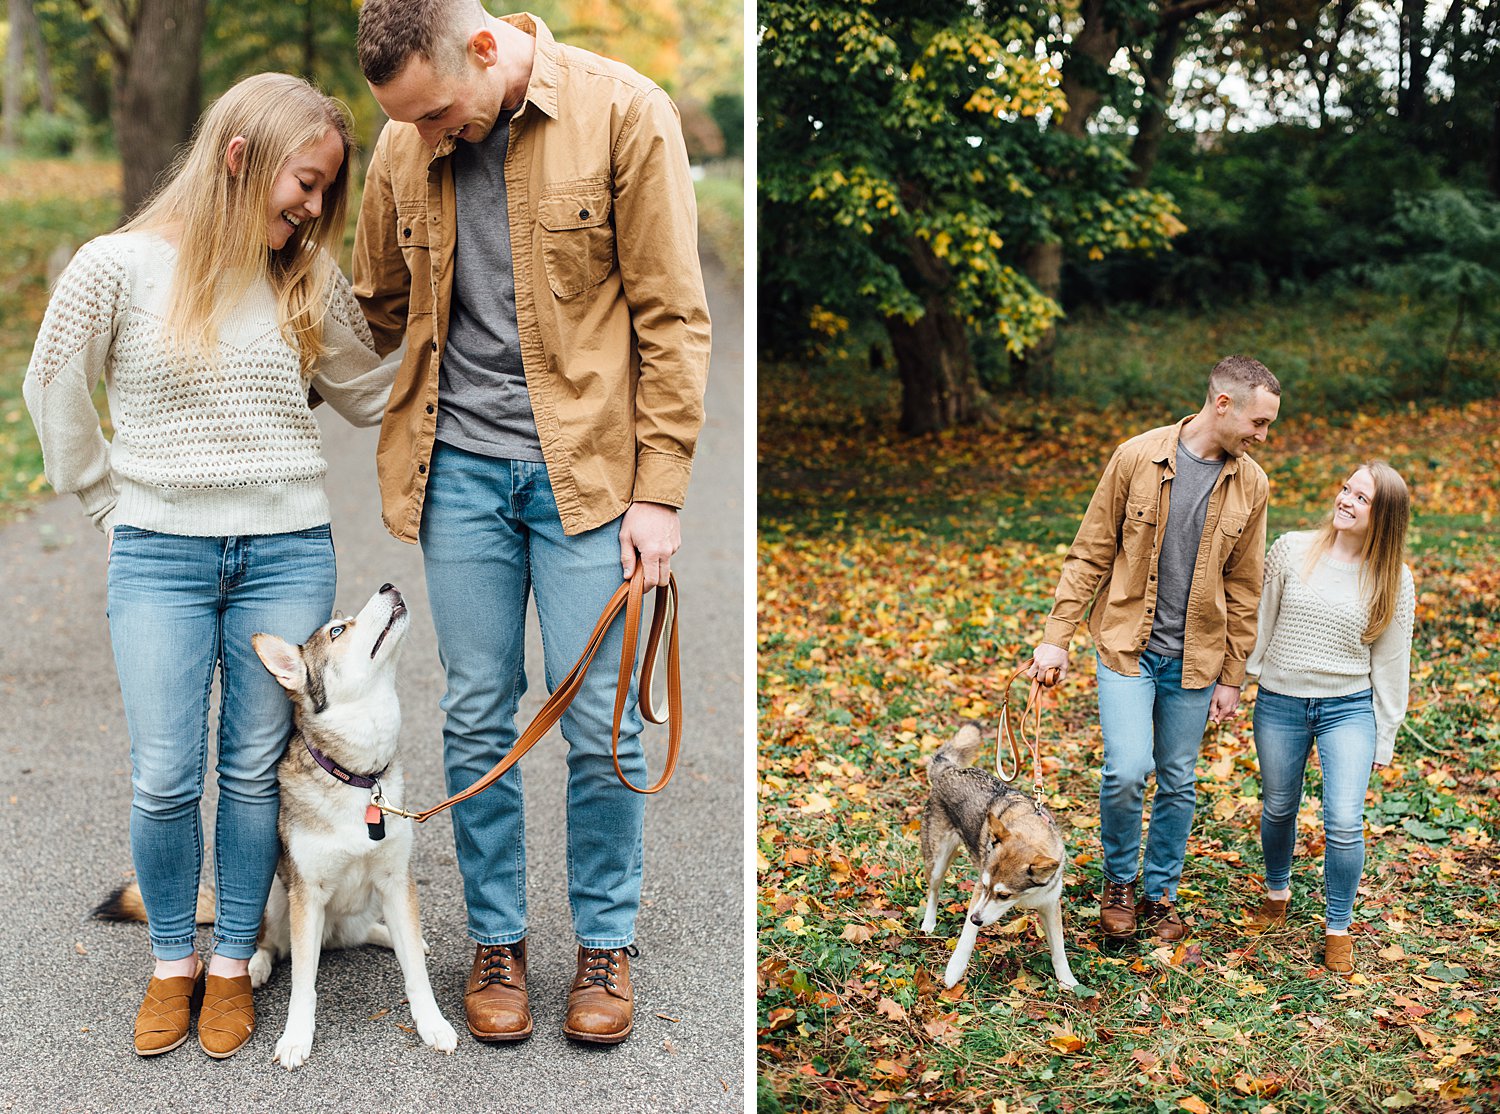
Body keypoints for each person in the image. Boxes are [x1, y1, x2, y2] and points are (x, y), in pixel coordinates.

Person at [351, 0, 711, 1045]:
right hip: (456, 471)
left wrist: (661, 492)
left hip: (590, 480)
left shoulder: (623, 113)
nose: (425, 139)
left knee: (599, 721)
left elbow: (673, 317)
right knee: (475, 714)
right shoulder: (402, 138)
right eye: (406, 123)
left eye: (437, 115)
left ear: (484, 45)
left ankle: (605, 941)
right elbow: (368, 308)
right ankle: (496, 940)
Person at [23, 73, 392, 1059]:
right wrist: (106, 502)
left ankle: (233, 961)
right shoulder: (115, 267)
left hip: (285, 551)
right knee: (162, 775)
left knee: (246, 772)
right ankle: (174, 964)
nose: (314, 207)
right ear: (241, 157)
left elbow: (369, 392)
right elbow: (51, 385)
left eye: (326, 191)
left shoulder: (304, 276)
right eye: (305, 185)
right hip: (158, 560)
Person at [1027, 356, 1281, 946]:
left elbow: (1245, 586)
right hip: (1126, 648)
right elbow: (1089, 551)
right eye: (1259, 422)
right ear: (1223, 405)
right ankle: (1119, 882)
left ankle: (1160, 892)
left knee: (1178, 780)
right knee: (1126, 770)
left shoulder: (1253, 484)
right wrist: (1056, 638)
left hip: (1197, 656)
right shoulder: (1136, 457)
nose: (1263, 436)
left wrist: (1232, 676)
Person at [1241, 462, 1415, 975]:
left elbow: (1391, 662)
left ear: (1382, 517)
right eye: (1346, 489)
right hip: (1280, 701)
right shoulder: (1292, 549)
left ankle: (1337, 927)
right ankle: (1277, 894)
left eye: (1361, 498)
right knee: (1278, 807)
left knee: (1343, 820)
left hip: (1349, 709)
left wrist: (1385, 735)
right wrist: (1241, 681)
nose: (1345, 500)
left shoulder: (1393, 579)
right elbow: (1261, 622)